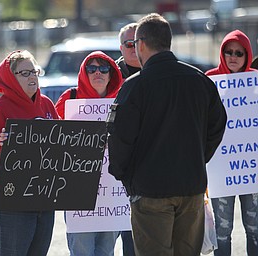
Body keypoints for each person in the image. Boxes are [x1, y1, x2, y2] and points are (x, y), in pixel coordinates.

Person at [107, 13, 227, 256]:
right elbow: (218, 124)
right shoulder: (199, 80)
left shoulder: (135, 86)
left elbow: (119, 138)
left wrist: (127, 178)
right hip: (191, 187)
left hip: (150, 191)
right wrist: (196, 158)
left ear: (141, 44)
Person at [0, 50, 59, 256]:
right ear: (11, 78)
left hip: (42, 197)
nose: (32, 77)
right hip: (10, 201)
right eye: (25, 73)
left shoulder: (46, 104)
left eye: (35, 71)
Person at [55, 50, 122, 256]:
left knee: (106, 250)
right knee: (82, 251)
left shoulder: (121, 99)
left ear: (112, 73)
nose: (97, 73)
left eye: (103, 68)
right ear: (84, 72)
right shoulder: (71, 98)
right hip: (77, 190)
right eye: (91, 68)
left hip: (112, 193)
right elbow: (54, 138)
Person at [205, 29, 258, 256]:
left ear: (247, 55)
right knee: (223, 232)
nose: (233, 57)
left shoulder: (255, 81)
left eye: (239, 52)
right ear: (222, 53)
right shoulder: (209, 80)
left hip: (251, 169)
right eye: (228, 51)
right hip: (221, 170)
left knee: (255, 230)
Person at [116, 22, 141, 256]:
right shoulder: (106, 73)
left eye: (137, 42)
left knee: (133, 241)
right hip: (110, 172)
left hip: (143, 169)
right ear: (120, 47)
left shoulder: (153, 72)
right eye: (128, 43)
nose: (133, 47)